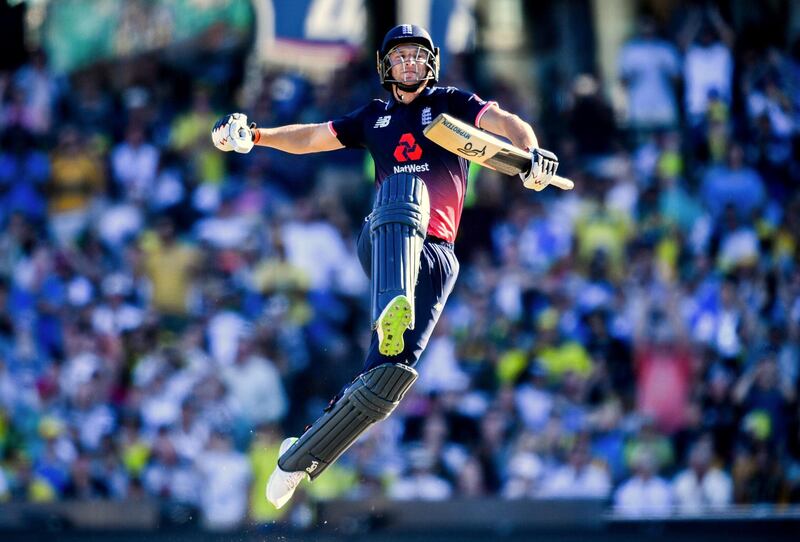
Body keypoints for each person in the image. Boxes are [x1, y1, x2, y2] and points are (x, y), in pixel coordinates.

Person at [211, 24, 560, 509]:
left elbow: (503, 121)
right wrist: (256, 135)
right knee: (404, 192)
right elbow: (314, 136)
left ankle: (300, 458)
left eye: (418, 56)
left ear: (430, 63)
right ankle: (392, 302)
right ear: (386, 67)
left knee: (386, 380)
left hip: (438, 254)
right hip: (384, 237)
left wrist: (532, 153)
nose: (410, 64)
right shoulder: (374, 117)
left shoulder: (452, 103)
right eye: (400, 57)